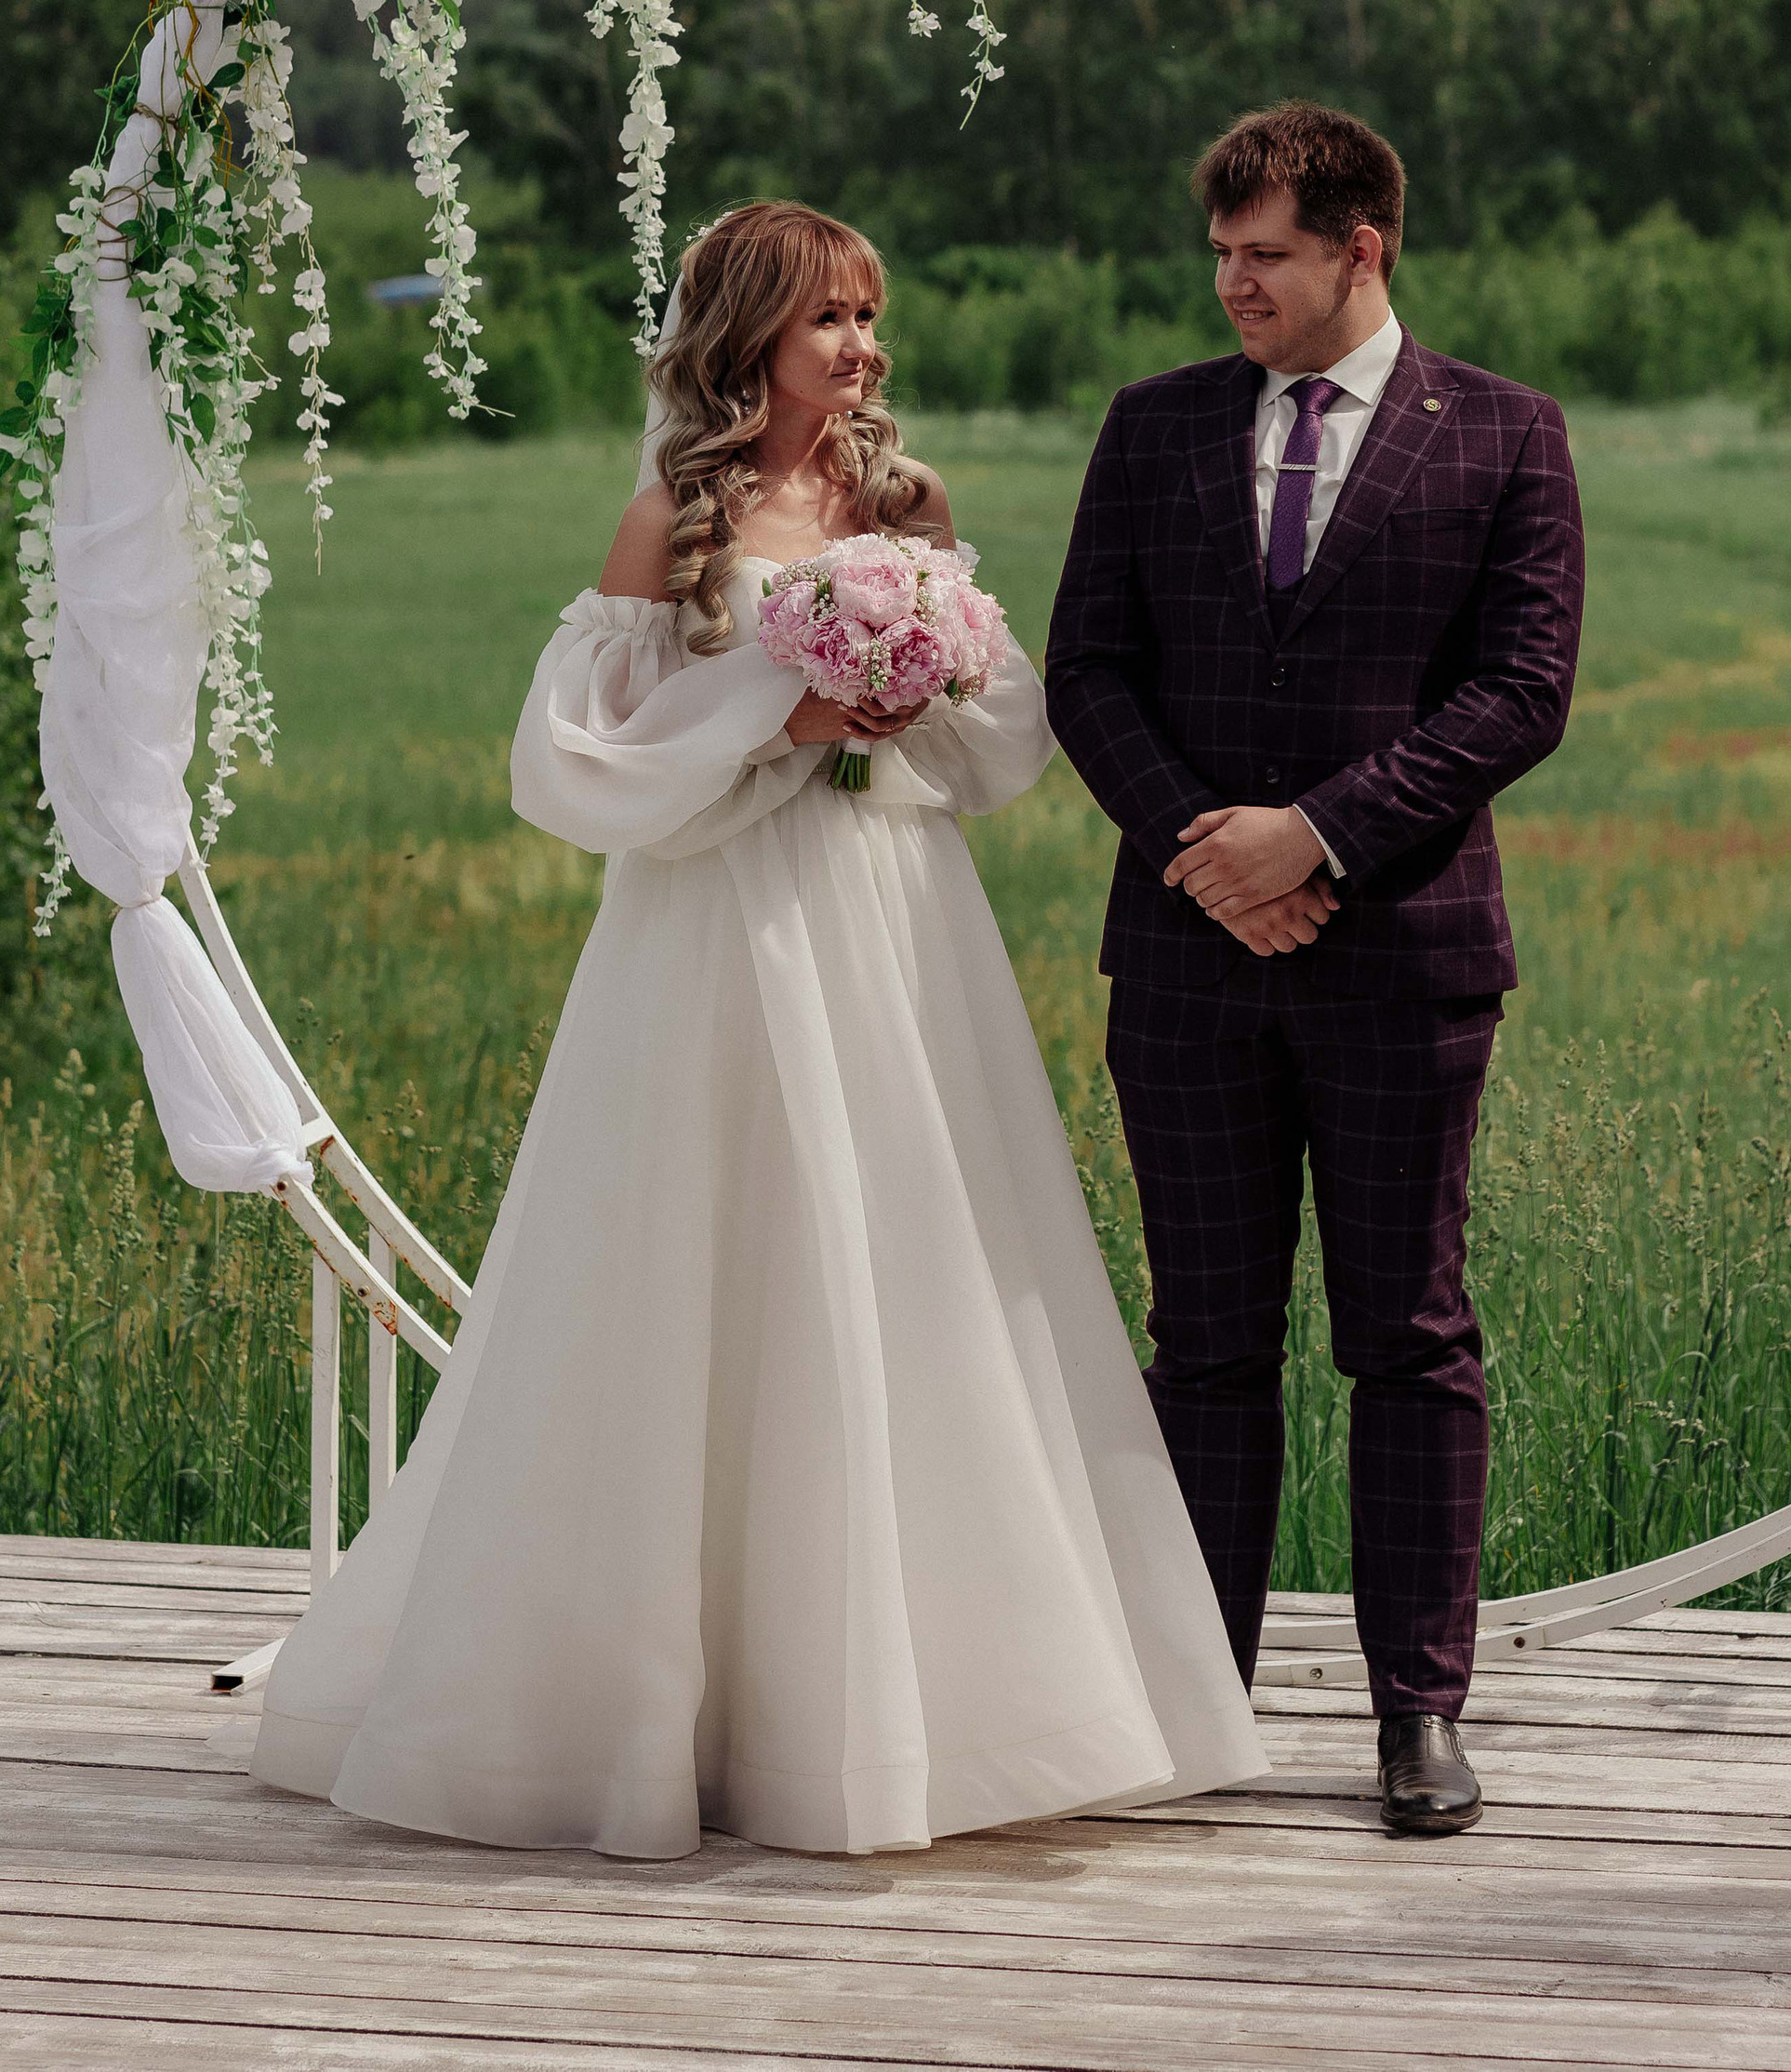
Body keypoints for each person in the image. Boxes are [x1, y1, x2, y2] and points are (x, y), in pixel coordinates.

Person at [252, 200, 1265, 1859]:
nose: (862, 351)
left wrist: (912, 685)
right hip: (722, 928)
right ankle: (667, 1712)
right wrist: (779, 712)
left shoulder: (903, 504)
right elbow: (579, 758)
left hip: (889, 921)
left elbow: (1006, 739)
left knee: (908, 1260)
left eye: (871, 318)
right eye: (827, 325)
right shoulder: (678, 518)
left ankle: (924, 1705)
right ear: (747, 341)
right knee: (704, 1263)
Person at [1045, 104, 1584, 1837]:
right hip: (1188, 963)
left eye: (1264, 252)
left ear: (1366, 246)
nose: (1233, 283)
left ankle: (1418, 1714)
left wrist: (1322, 839)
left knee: (1408, 1339)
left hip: (1404, 962)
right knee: (1202, 1344)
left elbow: (1520, 693)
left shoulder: (1506, 435)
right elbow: (1087, 671)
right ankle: (1200, 1705)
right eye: (1220, 252)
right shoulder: (1154, 428)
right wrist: (1217, 853)